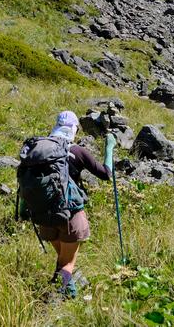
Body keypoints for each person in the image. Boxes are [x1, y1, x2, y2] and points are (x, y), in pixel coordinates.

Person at [35, 110, 113, 299]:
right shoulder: (76, 151)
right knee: (67, 264)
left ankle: (72, 295)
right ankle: (52, 302)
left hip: (44, 216)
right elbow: (105, 174)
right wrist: (109, 148)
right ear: (74, 129)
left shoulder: (38, 151)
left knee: (63, 260)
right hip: (70, 214)